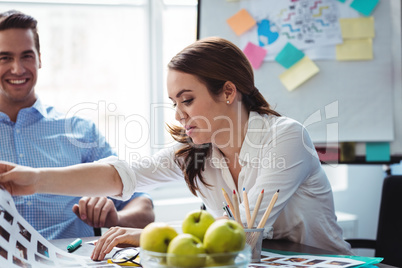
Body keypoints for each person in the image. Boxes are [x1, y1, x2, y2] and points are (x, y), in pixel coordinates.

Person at [0, 37, 353, 259]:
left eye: (187, 99)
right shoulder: (199, 151)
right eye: (174, 103)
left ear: (228, 92)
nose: (180, 114)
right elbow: (125, 173)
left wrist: (145, 235)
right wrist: (35, 179)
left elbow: (242, 232)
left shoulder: (285, 138)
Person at [0, 10, 154, 240]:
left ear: (40, 58)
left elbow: (143, 206)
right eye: (5, 58)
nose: (18, 69)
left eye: (26, 56)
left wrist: (115, 219)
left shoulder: (80, 132)